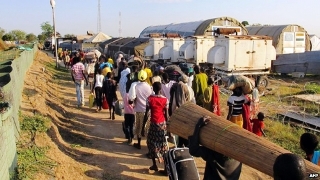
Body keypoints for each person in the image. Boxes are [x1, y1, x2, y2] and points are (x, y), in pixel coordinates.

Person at [143, 82, 169, 172]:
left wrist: (143, 126)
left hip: (153, 124)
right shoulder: (165, 100)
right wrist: (168, 126)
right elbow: (167, 115)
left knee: (151, 143)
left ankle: (154, 165)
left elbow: (146, 114)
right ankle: (166, 168)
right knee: (163, 145)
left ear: (153, 89)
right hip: (162, 124)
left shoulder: (149, 99)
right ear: (160, 89)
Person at [128, 70, 153, 149]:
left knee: (138, 126)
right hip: (147, 111)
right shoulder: (149, 87)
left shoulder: (136, 86)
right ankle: (148, 145)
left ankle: (138, 143)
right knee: (146, 127)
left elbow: (131, 98)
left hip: (139, 110)